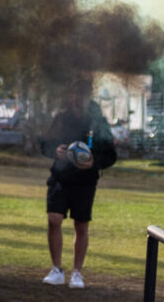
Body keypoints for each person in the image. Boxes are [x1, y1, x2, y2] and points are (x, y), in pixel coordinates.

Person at [40, 78, 117, 290]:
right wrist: (54, 151)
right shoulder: (60, 118)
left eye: (84, 94)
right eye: (76, 93)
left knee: (81, 225)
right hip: (60, 179)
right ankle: (56, 269)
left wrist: (94, 163)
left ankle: (76, 273)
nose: (79, 98)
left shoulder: (97, 122)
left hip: (85, 182)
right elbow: (45, 144)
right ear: (70, 95)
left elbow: (111, 154)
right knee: (54, 219)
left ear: (88, 96)